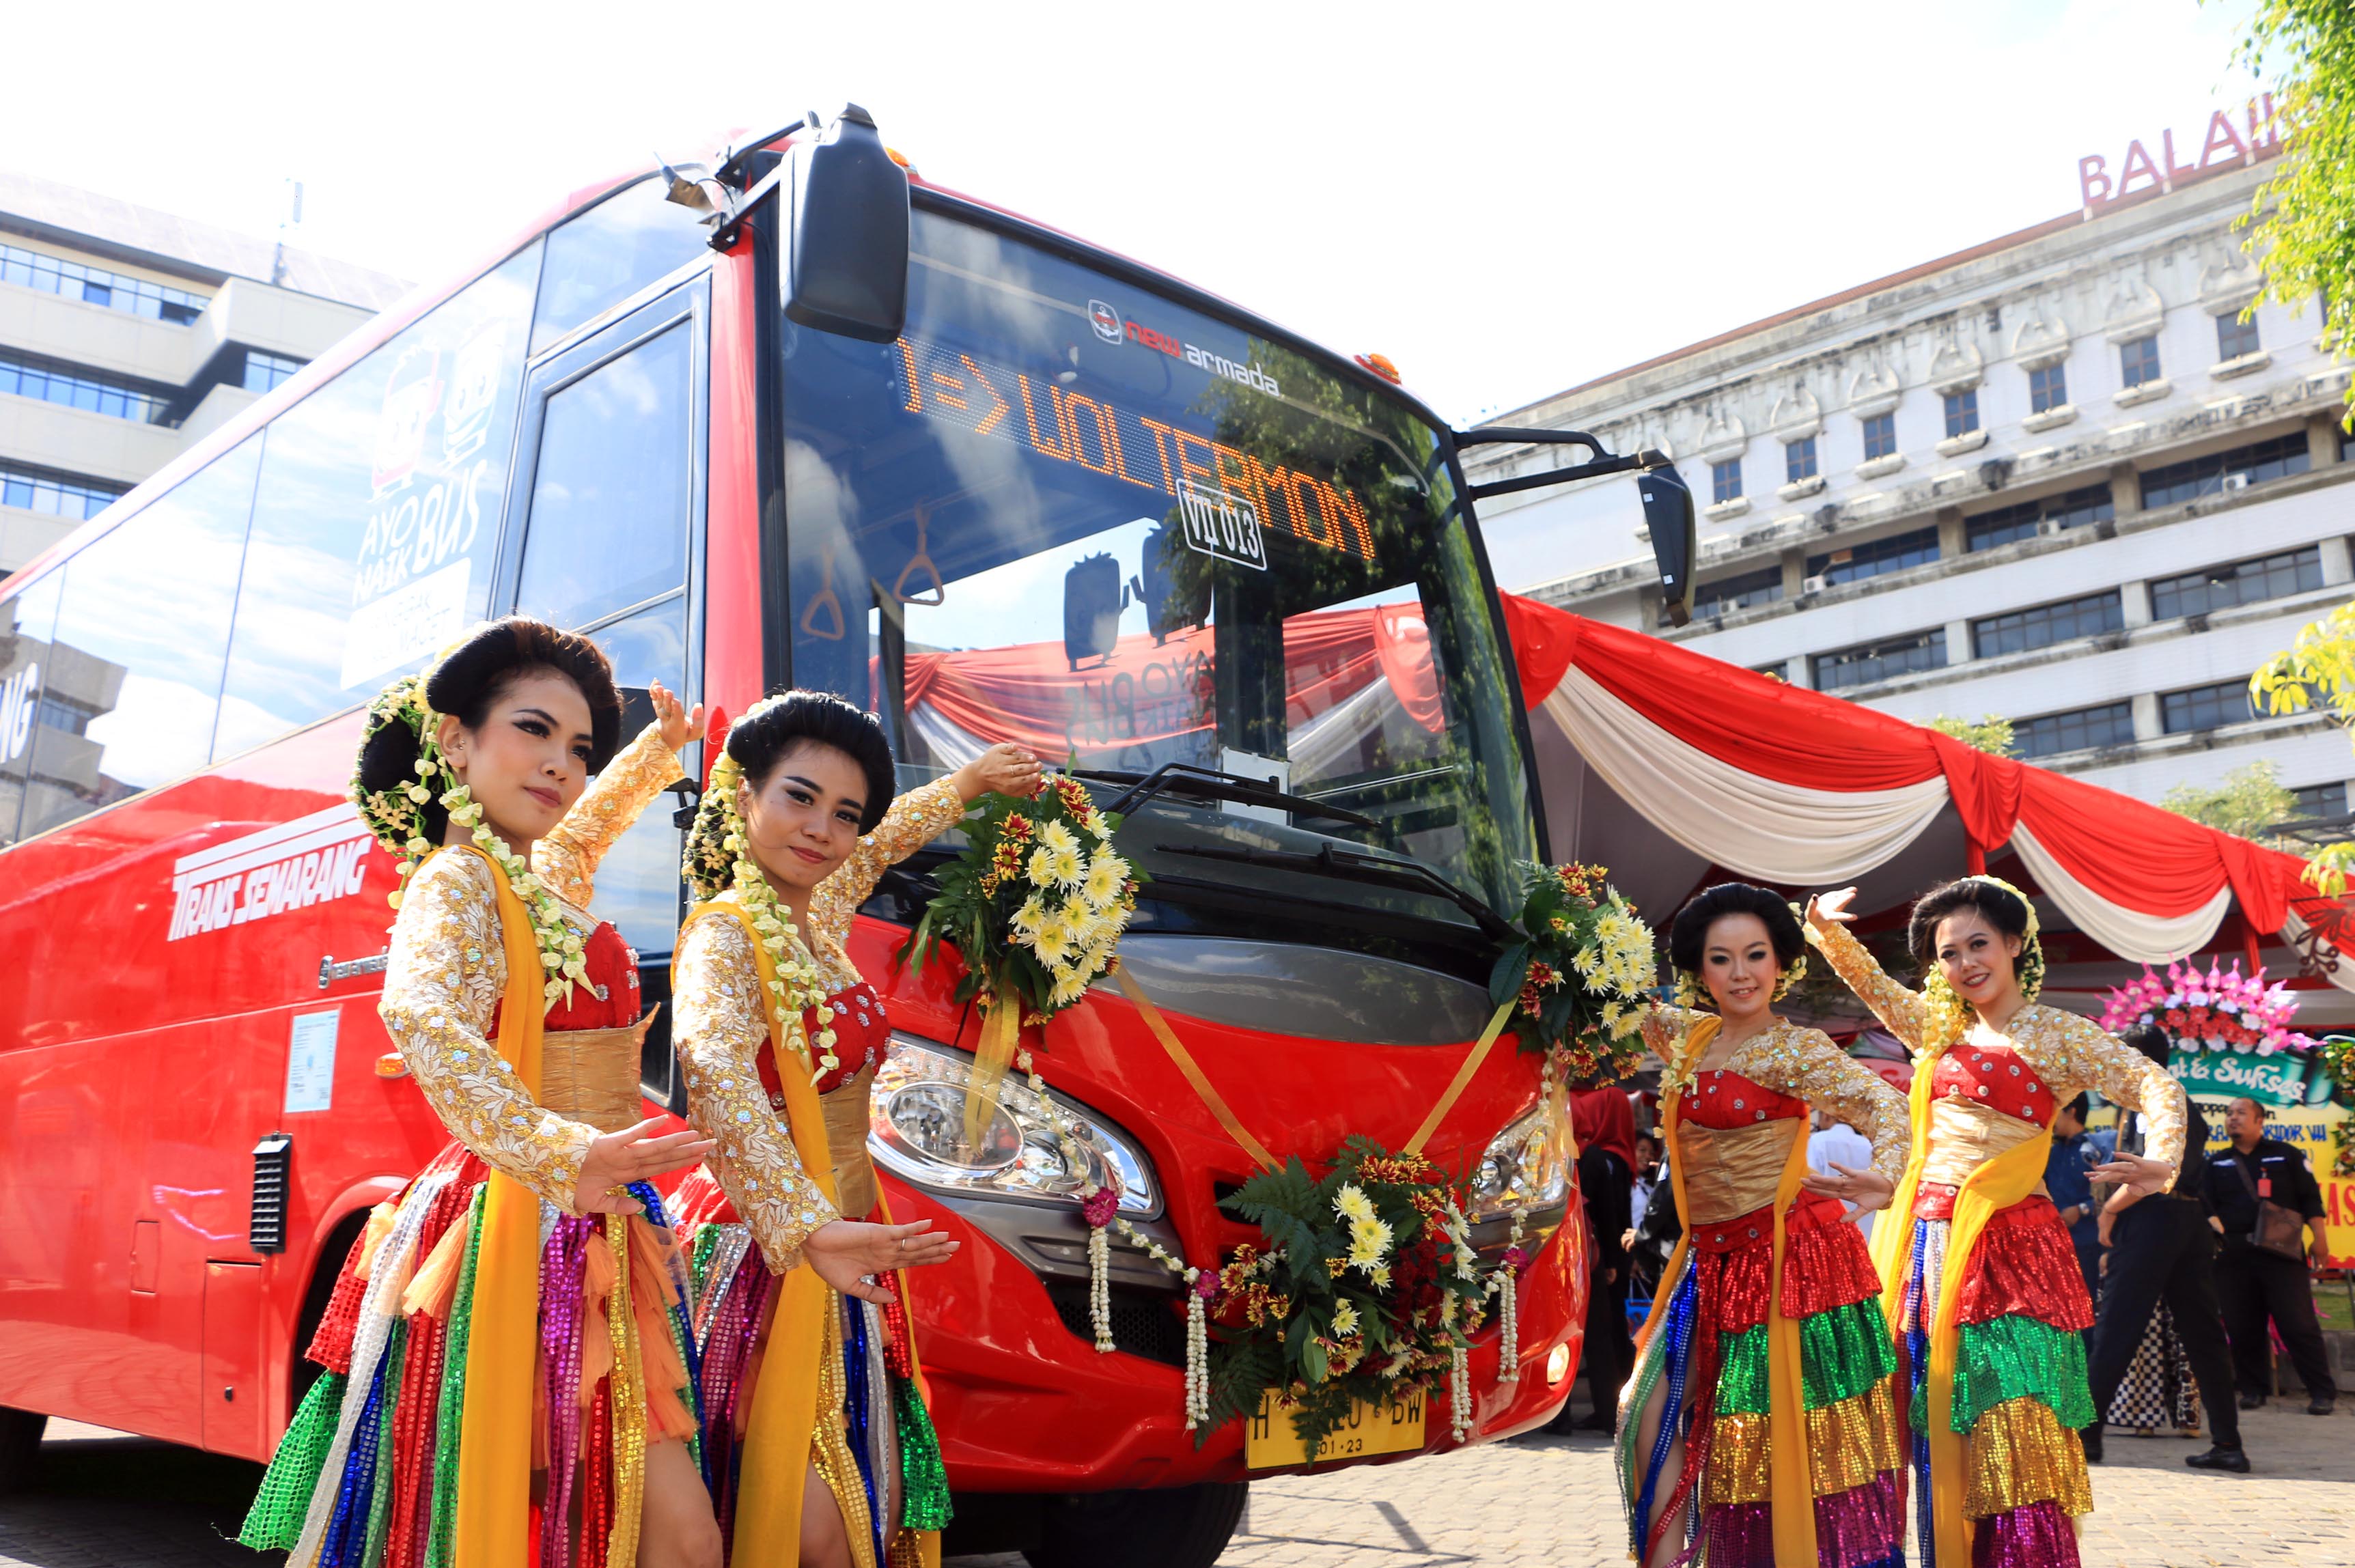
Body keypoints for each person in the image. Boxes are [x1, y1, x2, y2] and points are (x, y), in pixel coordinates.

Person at [238, 619, 725, 1568]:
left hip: (603, 1221)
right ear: (456, 742)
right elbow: (419, 1018)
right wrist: (565, 1149)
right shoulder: (458, 879)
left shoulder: (537, 876)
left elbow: (586, 824)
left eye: (579, 748)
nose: (561, 765)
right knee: (545, 1516)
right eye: (534, 732)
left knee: (659, 1530)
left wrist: (656, 754)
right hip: (513, 1226)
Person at [667, 692, 1041, 1568]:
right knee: (804, 1526)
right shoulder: (724, 936)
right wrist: (804, 1227)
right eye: (798, 797)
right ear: (743, 795)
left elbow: (883, 844)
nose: (822, 830)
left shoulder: (819, 922)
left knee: (865, 1498)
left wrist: (971, 783)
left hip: (848, 1238)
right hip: (764, 1249)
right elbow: (717, 1074)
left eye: (844, 813)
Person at [1807, 876, 2184, 1568]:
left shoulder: (2058, 1035)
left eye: (1978, 944)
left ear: (2015, 943)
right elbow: (1867, 981)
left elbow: (2154, 1082)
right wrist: (1825, 929)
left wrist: (2161, 1158)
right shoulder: (1936, 1024)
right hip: (1920, 1250)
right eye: (1948, 954)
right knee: (1912, 1418)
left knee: (2011, 1429)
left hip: (2011, 1253)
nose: (1964, 963)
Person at [1617, 884, 1910, 1568]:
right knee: (1641, 1410)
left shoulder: (1795, 1049)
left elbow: (1885, 1106)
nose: (1740, 972)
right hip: (1707, 1266)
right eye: (1721, 958)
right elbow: (1598, 1003)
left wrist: (1888, 1175)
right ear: (1699, 968)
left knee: (1781, 1453)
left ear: (1780, 962)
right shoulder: (1681, 1033)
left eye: (1756, 954)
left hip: (1789, 1266)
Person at [2080, 1028, 2239, 1469]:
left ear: (2137, 1056)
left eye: (2119, 1053)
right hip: (2185, 1222)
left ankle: (2087, 1439)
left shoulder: (2157, 1098)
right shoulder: (2167, 1098)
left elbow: (2157, 1175)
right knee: (2203, 1336)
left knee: (2116, 1327)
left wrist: (2110, 1210)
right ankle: (2228, 1445)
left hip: (2155, 1218)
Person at [2203, 1097, 2339, 1416]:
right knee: (2242, 1325)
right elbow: (2206, 1208)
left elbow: (2311, 1201)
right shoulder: (2216, 1163)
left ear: (2260, 1120)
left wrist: (2320, 1239)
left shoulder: (2286, 1155)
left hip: (2282, 1256)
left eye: (2241, 1113)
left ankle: (2322, 1392)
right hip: (2234, 1258)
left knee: (2298, 1324)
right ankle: (2253, 1390)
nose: (2233, 1119)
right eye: (2229, 1114)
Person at [1566, 1088, 1636, 1434]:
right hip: (1592, 1258)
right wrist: (1611, 1260)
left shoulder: (1554, 1154)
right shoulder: (1596, 1157)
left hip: (1559, 1259)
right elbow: (1610, 1215)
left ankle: (1558, 1416)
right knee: (1600, 1335)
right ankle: (1609, 1411)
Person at [2046, 1094, 2101, 1307]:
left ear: (2072, 1112)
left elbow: (2109, 1196)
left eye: (2056, 1112)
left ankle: (2088, 1342)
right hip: (2054, 1243)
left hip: (2086, 1243)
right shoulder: (2051, 1151)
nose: (2052, 1120)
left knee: (2084, 1306)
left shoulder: (2094, 1149)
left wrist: (2082, 1209)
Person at [1806, 1108, 1878, 1242]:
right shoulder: (1867, 1145)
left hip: (1829, 1219)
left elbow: (1810, 1182)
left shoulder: (1819, 1141)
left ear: (1827, 1115)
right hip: (1866, 1220)